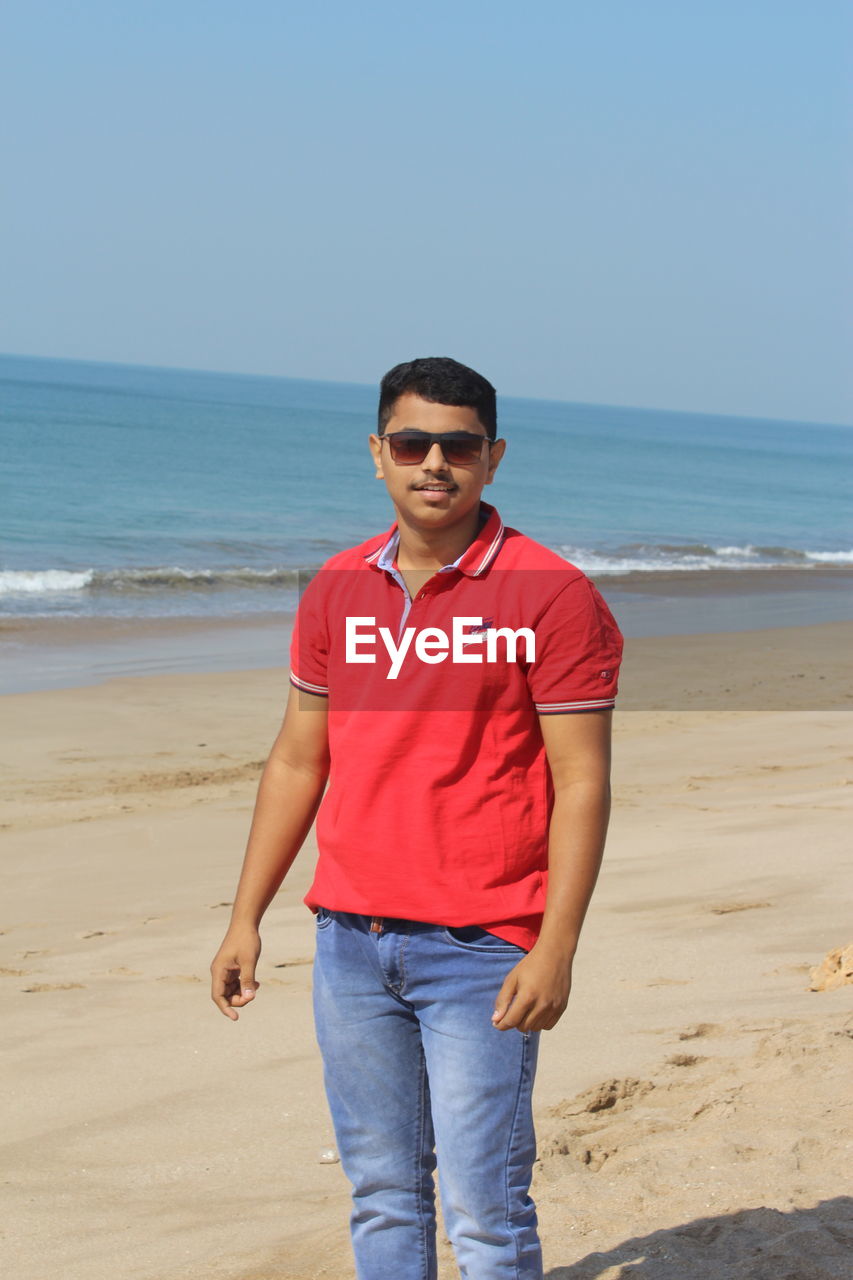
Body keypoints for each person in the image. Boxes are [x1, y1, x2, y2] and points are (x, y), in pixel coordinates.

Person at [210, 356, 623, 1280]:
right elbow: (296, 758)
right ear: (377, 453)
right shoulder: (336, 588)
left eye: (458, 446)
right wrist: (246, 916)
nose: (433, 463)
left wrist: (555, 946)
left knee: (484, 1209)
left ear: (493, 457)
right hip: (350, 940)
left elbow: (582, 782)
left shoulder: (552, 595)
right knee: (384, 1192)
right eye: (411, 443)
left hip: (482, 946)